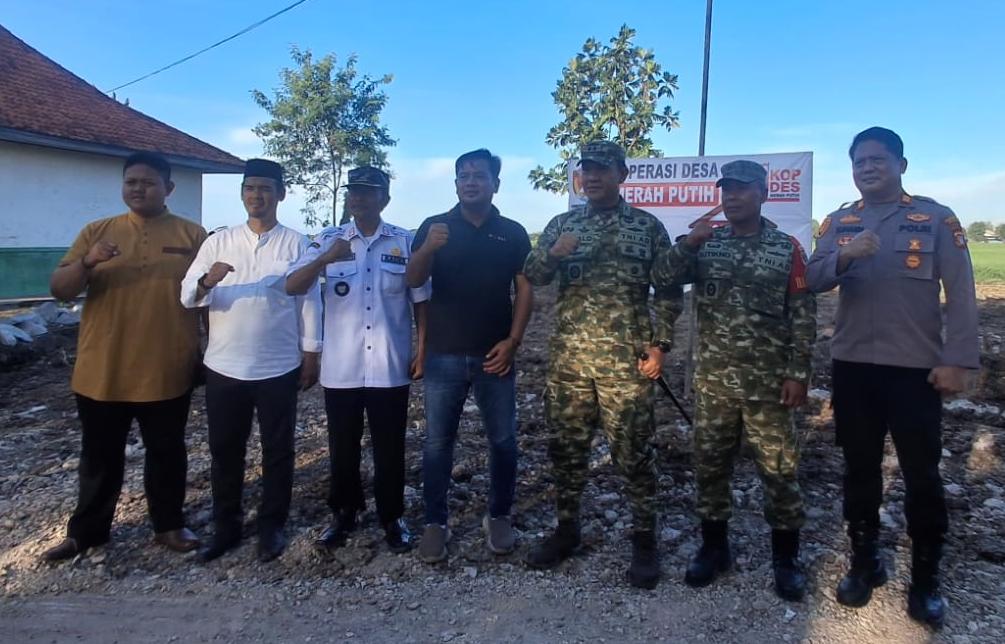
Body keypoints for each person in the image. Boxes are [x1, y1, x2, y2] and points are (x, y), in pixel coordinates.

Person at [806, 127, 978, 628]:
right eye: (859, 161)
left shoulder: (936, 219)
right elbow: (810, 280)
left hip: (915, 370)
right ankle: (865, 562)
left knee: (922, 474)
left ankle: (925, 578)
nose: (867, 168)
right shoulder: (840, 222)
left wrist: (958, 359)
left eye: (877, 159)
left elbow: (962, 293)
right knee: (859, 470)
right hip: (854, 368)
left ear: (901, 164)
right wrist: (845, 255)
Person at [651, 159, 816, 600]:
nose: (733, 196)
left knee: (779, 470)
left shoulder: (786, 248)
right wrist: (689, 244)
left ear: (763, 193)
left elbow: (802, 315)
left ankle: (786, 558)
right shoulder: (707, 243)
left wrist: (798, 373)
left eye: (743, 188)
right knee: (710, 467)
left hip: (769, 387)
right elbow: (661, 277)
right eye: (727, 189)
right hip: (715, 384)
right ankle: (714, 548)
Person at [522, 140, 684, 590]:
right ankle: (567, 530)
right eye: (585, 170)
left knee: (634, 453)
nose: (591, 177)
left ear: (621, 175)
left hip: (626, 365)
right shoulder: (562, 224)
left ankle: (644, 540)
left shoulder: (646, 227)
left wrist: (661, 345)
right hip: (570, 364)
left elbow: (668, 289)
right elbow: (532, 274)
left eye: (601, 169)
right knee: (567, 451)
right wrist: (554, 253)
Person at [42, 151, 206, 561]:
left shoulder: (192, 235)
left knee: (167, 453)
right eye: (131, 182)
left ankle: (169, 525)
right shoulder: (97, 232)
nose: (138, 189)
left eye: (148, 182)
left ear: (168, 188)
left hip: (167, 367)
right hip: (103, 369)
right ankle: (87, 533)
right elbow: (60, 289)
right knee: (99, 457)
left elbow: (206, 298)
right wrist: (87, 261)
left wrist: (207, 350)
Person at [180, 159, 322, 563]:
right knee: (226, 450)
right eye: (249, 188)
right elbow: (186, 294)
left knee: (278, 450)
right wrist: (208, 280)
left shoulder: (297, 244)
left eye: (264, 188)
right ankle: (226, 526)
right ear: (242, 194)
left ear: (281, 194)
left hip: (279, 365)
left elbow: (309, 301)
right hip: (224, 366)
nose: (256, 195)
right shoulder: (219, 242)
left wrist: (311, 353)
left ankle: (271, 526)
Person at [285, 166, 429, 554]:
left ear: (385, 198)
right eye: (354, 191)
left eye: (368, 191)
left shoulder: (404, 241)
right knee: (342, 447)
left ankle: (392, 517)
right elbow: (292, 285)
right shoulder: (328, 240)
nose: (359, 198)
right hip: (342, 367)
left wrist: (423, 349)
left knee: (390, 447)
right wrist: (325, 259)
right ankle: (344, 513)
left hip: (389, 366)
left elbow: (421, 301)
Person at [405, 149, 533, 563]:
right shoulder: (434, 227)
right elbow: (413, 280)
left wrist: (513, 341)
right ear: (456, 183)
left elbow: (524, 288)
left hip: (495, 355)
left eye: (479, 175)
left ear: (496, 183)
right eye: (464, 175)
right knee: (437, 444)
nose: (471, 181)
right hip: (443, 354)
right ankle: (435, 522)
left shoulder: (512, 233)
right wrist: (427, 249)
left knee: (504, 441)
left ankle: (499, 515)